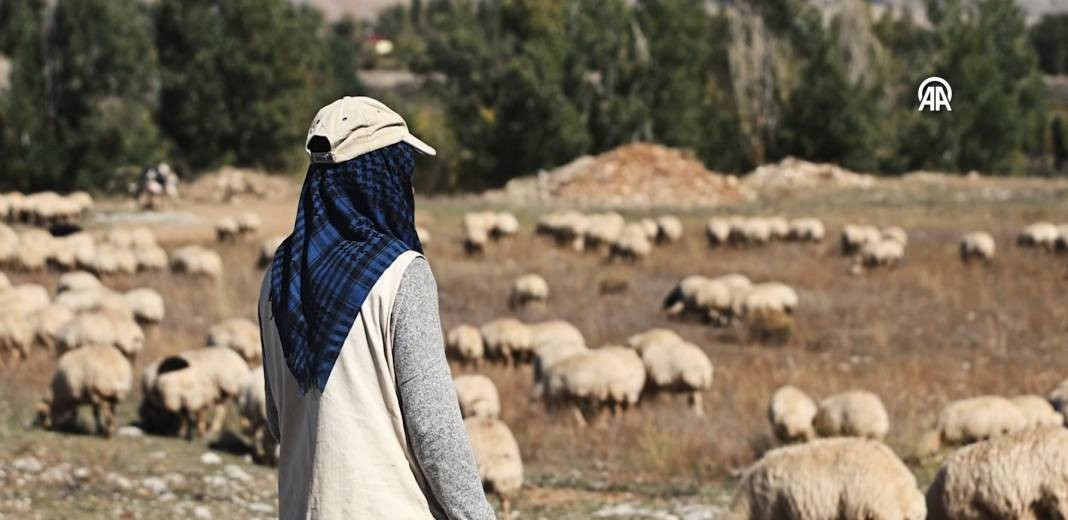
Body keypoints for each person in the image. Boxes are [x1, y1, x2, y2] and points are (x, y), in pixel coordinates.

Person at [258, 96, 496, 519]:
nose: (410, 187)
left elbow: (279, 420)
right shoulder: (401, 275)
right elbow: (433, 429)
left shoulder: (279, 277)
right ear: (381, 177)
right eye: (403, 171)